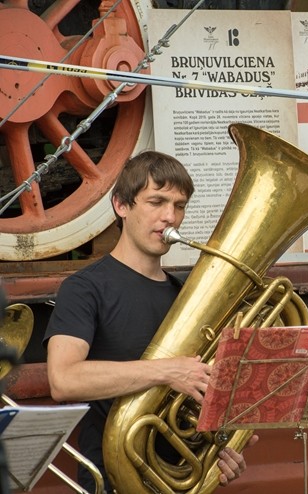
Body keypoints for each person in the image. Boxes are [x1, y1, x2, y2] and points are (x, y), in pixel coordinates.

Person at [44, 151, 258, 492]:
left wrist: (224, 448)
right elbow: (63, 379)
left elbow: (202, 392)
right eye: (156, 202)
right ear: (122, 206)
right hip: (113, 479)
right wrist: (166, 371)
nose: (169, 217)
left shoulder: (188, 298)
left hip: (179, 481)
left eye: (179, 205)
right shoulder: (84, 288)